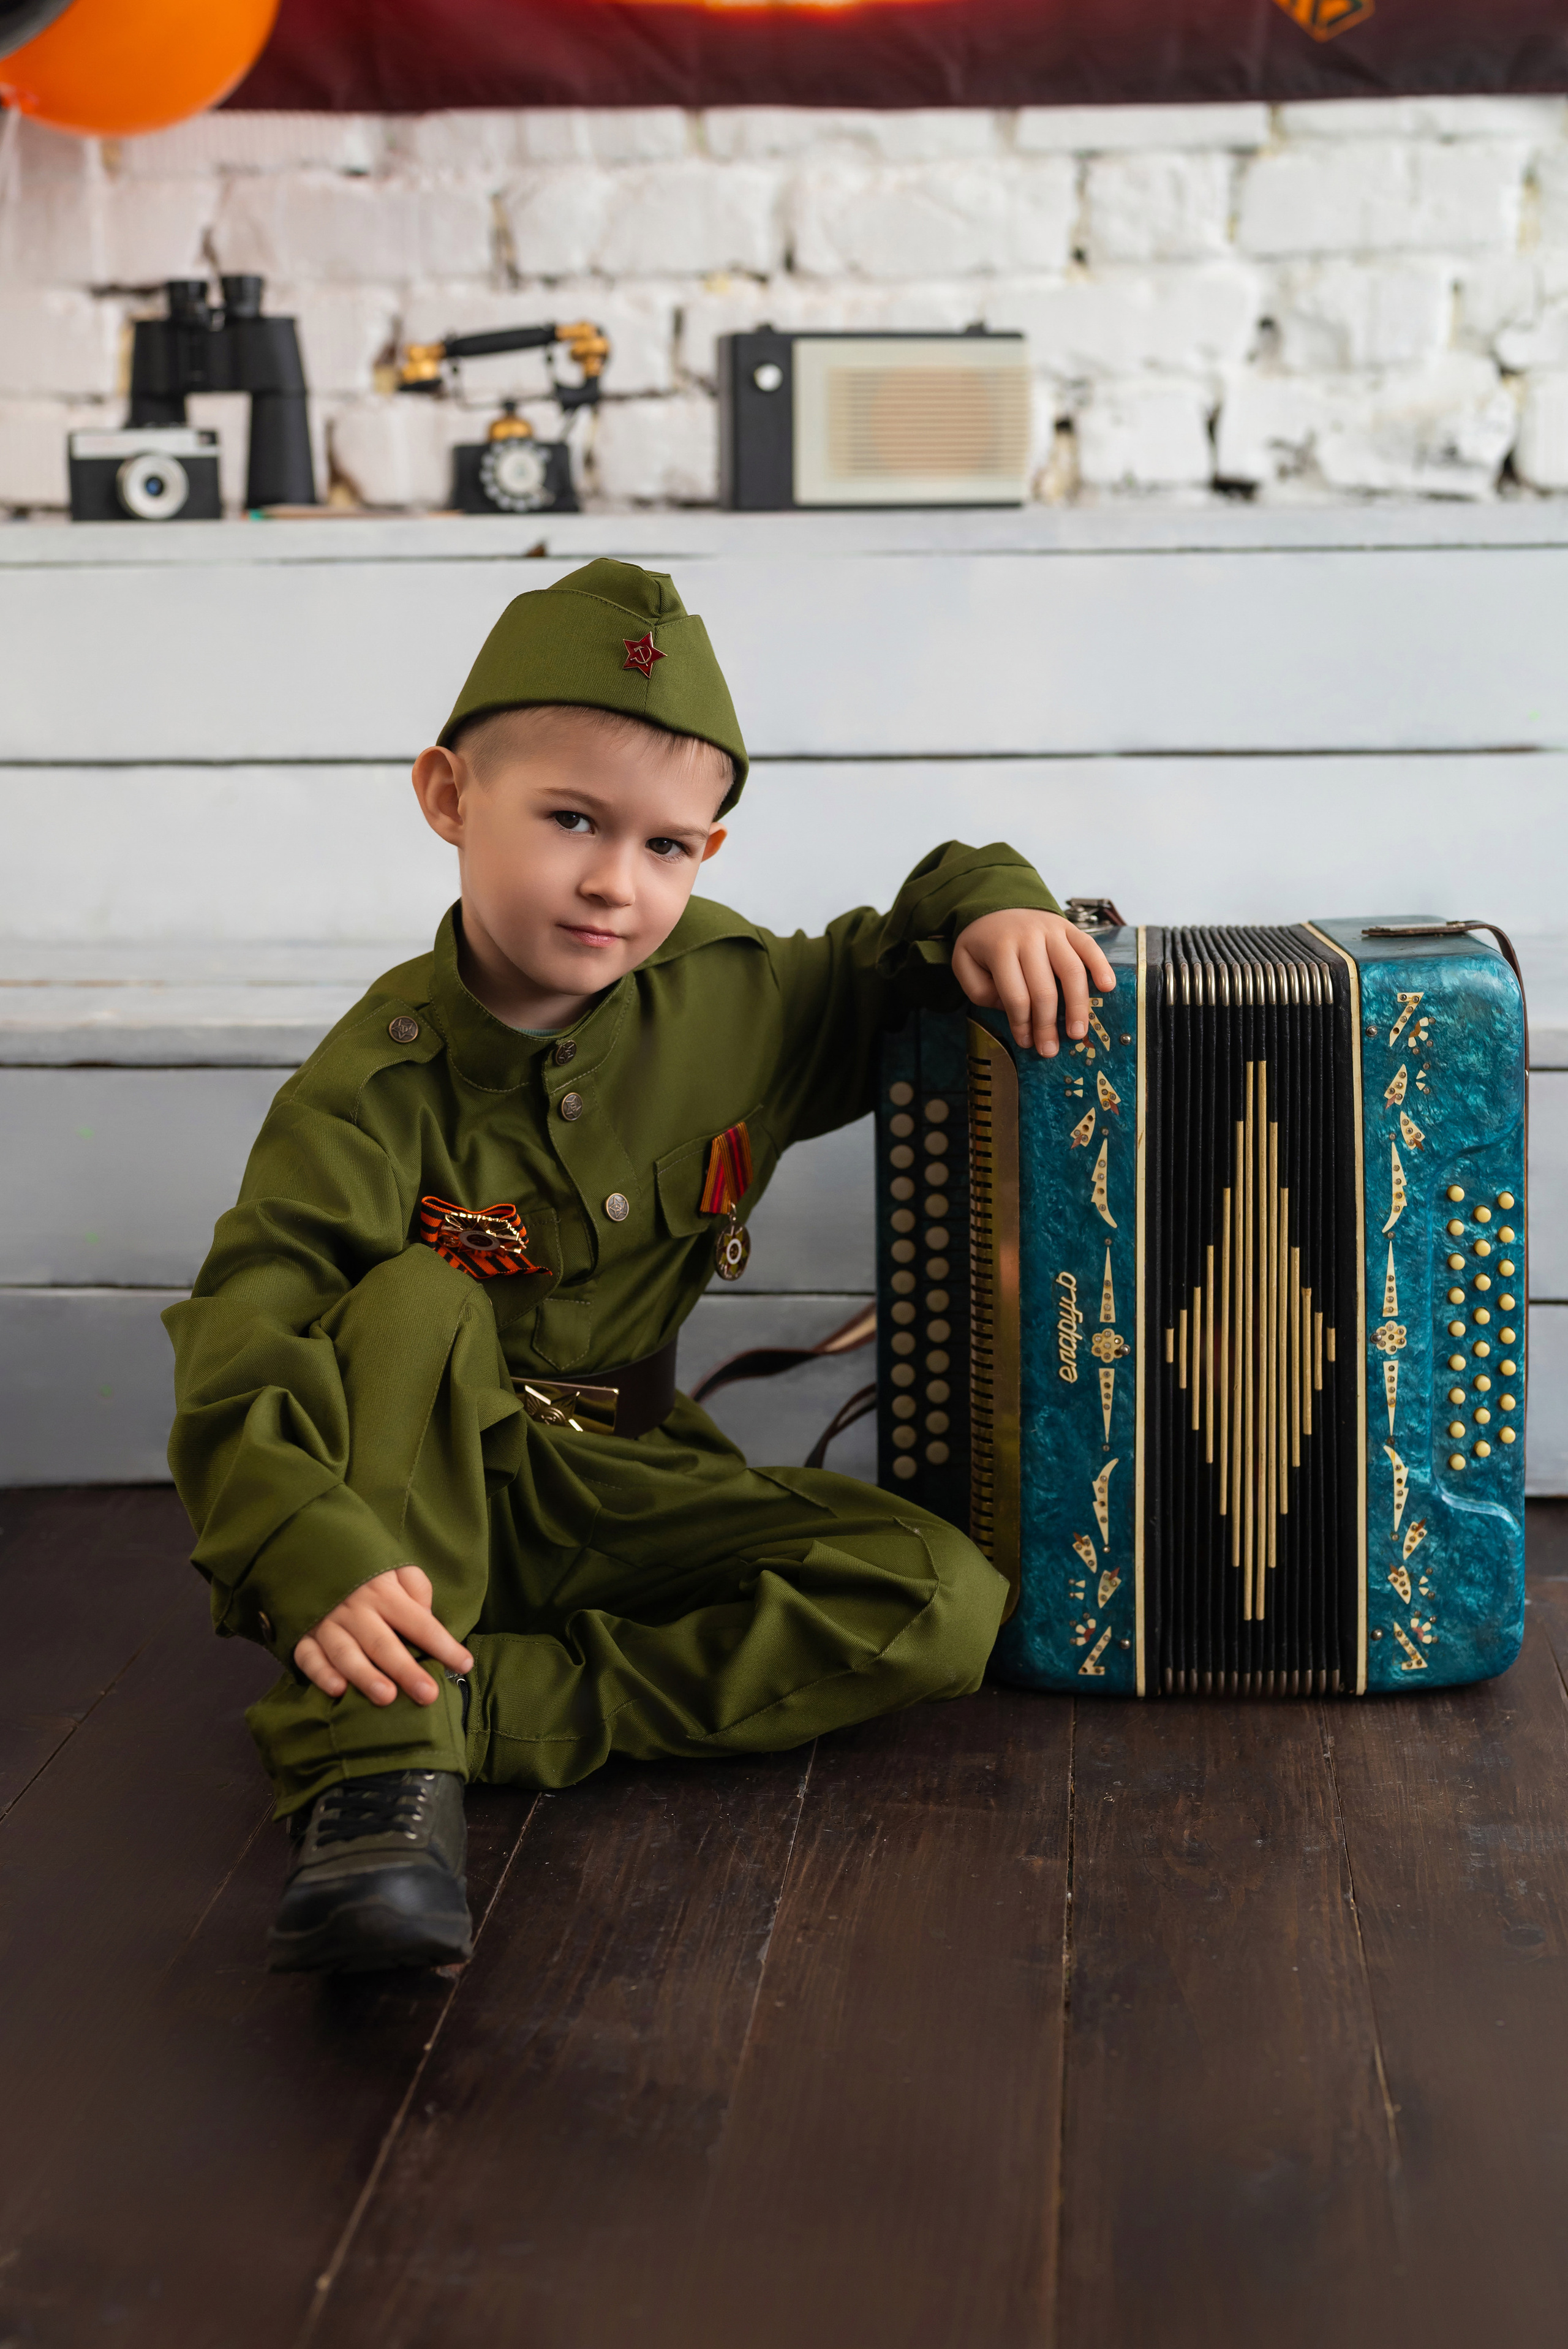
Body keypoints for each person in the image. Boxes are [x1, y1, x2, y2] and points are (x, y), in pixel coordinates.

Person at [164, 558, 1115, 1975]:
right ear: (447, 797)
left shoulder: (736, 999)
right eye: (570, 820)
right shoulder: (373, 1085)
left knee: (940, 1597)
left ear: (707, 858)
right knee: (419, 1294)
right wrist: (313, 1558)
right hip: (422, 1489)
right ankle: (374, 1779)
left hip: (624, 1471)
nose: (616, 880)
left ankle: (463, 1717)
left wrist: (1001, 906)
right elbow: (248, 1332)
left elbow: (914, 927)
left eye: (668, 845)